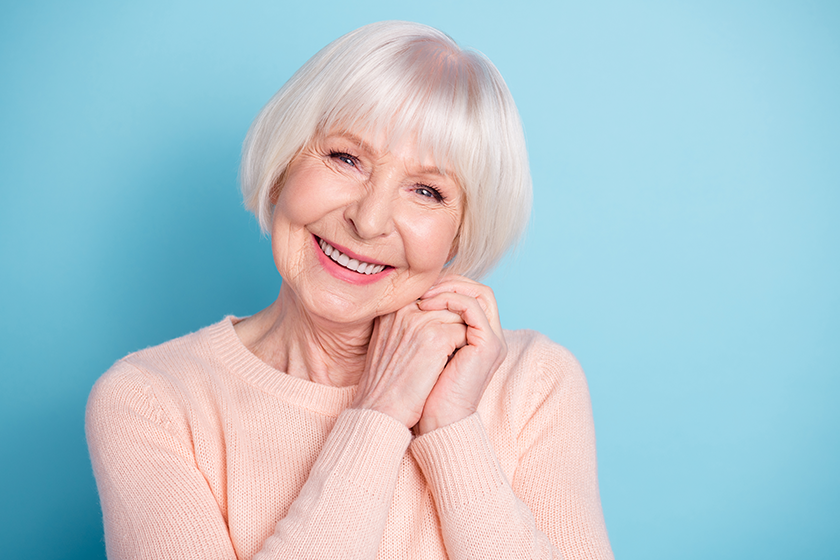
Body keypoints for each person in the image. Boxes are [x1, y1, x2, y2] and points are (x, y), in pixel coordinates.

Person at [86, 20, 614, 560]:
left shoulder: (534, 383)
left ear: (459, 235)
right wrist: (379, 415)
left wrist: (454, 430)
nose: (369, 220)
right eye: (346, 159)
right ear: (283, 166)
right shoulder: (150, 400)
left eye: (427, 191)